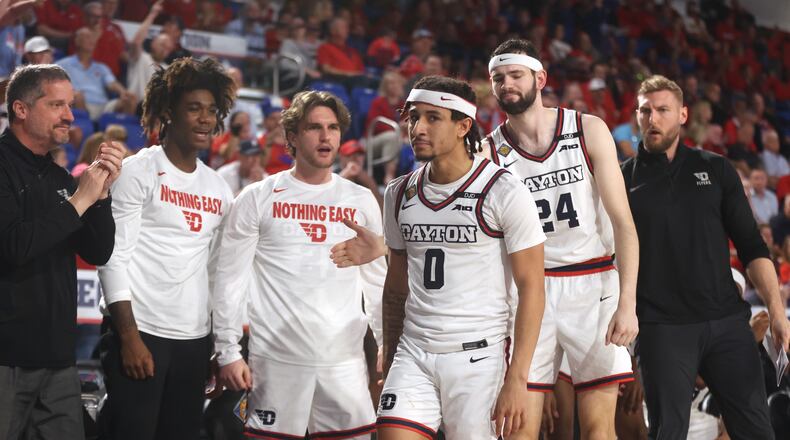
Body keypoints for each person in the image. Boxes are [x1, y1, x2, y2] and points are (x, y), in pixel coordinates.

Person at [374, 75, 546, 439]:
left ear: (463, 126)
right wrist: (390, 351)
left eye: (432, 117)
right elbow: (395, 285)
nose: (417, 128)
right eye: (413, 117)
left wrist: (518, 378)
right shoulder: (399, 192)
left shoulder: (504, 190)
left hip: (478, 358)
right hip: (414, 351)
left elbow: (532, 287)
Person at [485, 39, 640, 439]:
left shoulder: (587, 129)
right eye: (498, 78)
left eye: (515, 75)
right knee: (518, 427)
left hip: (593, 284)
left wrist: (628, 303)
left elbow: (624, 223)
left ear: (540, 78)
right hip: (529, 290)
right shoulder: (489, 152)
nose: (506, 84)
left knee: (598, 429)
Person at [621, 74, 790, 439]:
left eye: (663, 110)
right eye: (645, 110)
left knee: (758, 431)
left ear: (683, 114)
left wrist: (777, 312)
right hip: (662, 328)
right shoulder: (621, 181)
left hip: (726, 322)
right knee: (668, 433)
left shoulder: (716, 169)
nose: (653, 118)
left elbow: (751, 246)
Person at [213, 90, 386, 439]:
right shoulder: (257, 198)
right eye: (314, 128)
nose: (326, 137)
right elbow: (229, 279)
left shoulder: (361, 199)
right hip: (276, 362)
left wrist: (385, 343)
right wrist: (227, 350)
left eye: (334, 128)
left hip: (346, 362)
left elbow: (377, 282)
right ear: (291, 137)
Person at [96, 57, 236, 440]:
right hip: (141, 333)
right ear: (168, 113)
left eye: (212, 110)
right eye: (194, 108)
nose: (205, 119)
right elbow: (112, 258)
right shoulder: (138, 171)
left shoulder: (219, 188)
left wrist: (214, 344)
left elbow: (215, 271)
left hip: (193, 342)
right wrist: (128, 337)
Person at [0, 63, 122, 439]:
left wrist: (100, 197)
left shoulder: (57, 176)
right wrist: (78, 202)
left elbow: (98, 251)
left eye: (70, 105)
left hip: (58, 361)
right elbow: (14, 246)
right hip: (6, 361)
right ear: (21, 109)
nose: (71, 115)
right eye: (57, 105)